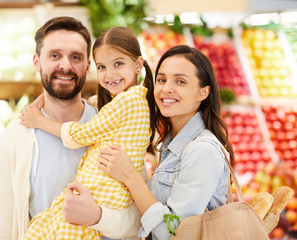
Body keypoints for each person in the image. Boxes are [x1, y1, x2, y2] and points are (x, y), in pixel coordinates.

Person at [0, 17, 143, 240]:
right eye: (54, 55)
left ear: (88, 66)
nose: (65, 65)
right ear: (36, 62)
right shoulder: (11, 142)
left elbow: (140, 219)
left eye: (75, 57)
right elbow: (3, 227)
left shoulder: (118, 127)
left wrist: (97, 217)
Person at [97, 45, 236, 240]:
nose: (166, 89)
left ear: (202, 93)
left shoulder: (202, 150)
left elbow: (172, 232)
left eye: (180, 81)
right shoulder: (171, 144)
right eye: (162, 79)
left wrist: (130, 177)